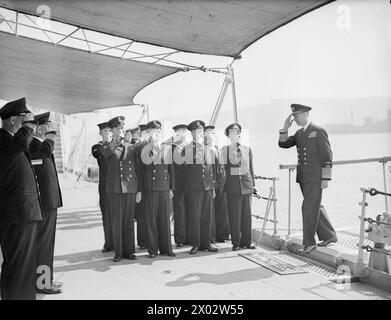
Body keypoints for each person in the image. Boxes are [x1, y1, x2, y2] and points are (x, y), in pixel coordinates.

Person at [278, 104, 337, 253]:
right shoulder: (299, 133)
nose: (295, 119)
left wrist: (326, 178)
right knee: (314, 205)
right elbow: (283, 144)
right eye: (294, 116)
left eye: (296, 116)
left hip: (316, 177)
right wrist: (285, 127)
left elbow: (327, 156)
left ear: (305, 114)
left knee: (308, 207)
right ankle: (329, 235)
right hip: (304, 177)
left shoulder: (318, 131)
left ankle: (309, 243)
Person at [0, 97, 43, 300]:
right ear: (10, 120)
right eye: (22, 118)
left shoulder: (13, 141)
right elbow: (16, 146)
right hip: (15, 214)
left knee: (25, 266)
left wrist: (26, 126)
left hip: (24, 212)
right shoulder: (3, 139)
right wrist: (27, 127)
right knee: (17, 266)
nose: (27, 124)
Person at [29, 112, 63, 295]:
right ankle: (42, 283)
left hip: (50, 201)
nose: (51, 130)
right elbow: (41, 159)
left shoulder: (40, 145)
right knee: (44, 244)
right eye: (48, 127)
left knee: (47, 244)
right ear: (40, 128)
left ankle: (46, 279)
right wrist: (49, 140)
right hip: (44, 202)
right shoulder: (34, 145)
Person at [102, 116, 142, 262]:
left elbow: (136, 168)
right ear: (112, 130)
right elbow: (110, 154)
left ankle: (129, 251)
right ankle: (118, 252)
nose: (121, 130)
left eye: (122, 127)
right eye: (118, 128)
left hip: (130, 187)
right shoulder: (107, 145)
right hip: (115, 189)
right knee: (117, 221)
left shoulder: (131, 146)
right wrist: (119, 140)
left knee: (128, 221)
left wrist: (139, 190)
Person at [138, 120, 176, 258]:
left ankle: (166, 248)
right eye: (154, 131)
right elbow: (140, 171)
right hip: (150, 187)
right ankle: (152, 249)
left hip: (164, 187)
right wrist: (140, 190)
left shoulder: (166, 147)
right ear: (148, 133)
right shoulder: (143, 147)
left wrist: (172, 188)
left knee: (164, 219)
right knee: (151, 219)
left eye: (158, 131)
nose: (157, 134)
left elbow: (170, 169)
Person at [183, 120, 218, 254]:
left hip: (207, 187)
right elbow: (186, 170)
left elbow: (211, 170)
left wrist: (213, 187)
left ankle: (206, 243)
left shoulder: (209, 149)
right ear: (191, 133)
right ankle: (196, 244)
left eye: (200, 132)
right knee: (195, 216)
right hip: (194, 187)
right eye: (195, 132)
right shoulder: (187, 149)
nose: (198, 134)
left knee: (206, 216)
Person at [222, 123, 256, 251]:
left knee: (247, 216)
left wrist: (253, 185)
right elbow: (223, 169)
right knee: (234, 216)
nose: (235, 135)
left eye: (237, 132)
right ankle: (236, 242)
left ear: (239, 134)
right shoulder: (225, 150)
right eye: (232, 133)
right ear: (229, 136)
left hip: (247, 186)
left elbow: (251, 168)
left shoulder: (247, 149)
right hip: (233, 187)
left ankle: (246, 242)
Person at [204, 125, 230, 243]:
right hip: (211, 184)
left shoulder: (218, 149)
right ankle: (211, 236)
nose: (211, 135)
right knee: (211, 212)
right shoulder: (203, 150)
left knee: (222, 209)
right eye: (209, 133)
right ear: (204, 135)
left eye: (213, 133)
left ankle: (222, 235)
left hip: (222, 183)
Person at [91, 122, 113, 253]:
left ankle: (118, 242)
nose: (108, 133)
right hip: (104, 186)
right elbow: (102, 153)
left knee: (118, 215)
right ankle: (108, 243)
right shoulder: (97, 147)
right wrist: (109, 142)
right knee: (107, 215)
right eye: (105, 131)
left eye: (110, 131)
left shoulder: (117, 145)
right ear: (100, 133)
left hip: (117, 185)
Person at [171, 124, 189, 248]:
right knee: (179, 211)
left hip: (190, 184)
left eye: (184, 131)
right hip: (178, 184)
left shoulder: (189, 146)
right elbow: (170, 168)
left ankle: (189, 237)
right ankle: (180, 239)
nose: (182, 133)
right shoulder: (171, 147)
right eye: (179, 132)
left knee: (190, 211)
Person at [135, 124, 148, 250]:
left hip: (150, 184)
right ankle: (143, 240)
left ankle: (147, 239)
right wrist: (138, 189)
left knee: (148, 213)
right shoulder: (137, 147)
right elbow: (136, 169)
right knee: (142, 214)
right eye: (142, 132)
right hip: (142, 184)